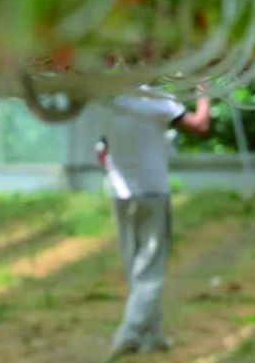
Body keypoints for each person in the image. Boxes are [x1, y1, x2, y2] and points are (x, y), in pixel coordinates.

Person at [89, 87, 210, 358]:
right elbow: (200, 126)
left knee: (137, 270)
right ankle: (130, 332)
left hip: (121, 193)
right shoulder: (157, 99)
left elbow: (102, 146)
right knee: (151, 272)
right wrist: (204, 94)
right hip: (153, 191)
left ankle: (152, 336)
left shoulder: (107, 96)